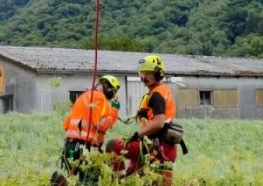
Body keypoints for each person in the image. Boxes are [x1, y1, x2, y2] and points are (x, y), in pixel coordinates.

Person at [108, 55, 179, 184]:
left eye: (149, 73)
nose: (144, 76)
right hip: (157, 146)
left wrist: (137, 135)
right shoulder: (155, 93)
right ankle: (121, 180)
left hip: (160, 147)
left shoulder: (157, 94)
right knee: (132, 177)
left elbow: (159, 122)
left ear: (158, 74)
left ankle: (117, 181)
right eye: (143, 73)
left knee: (114, 146)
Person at [61, 75, 121, 174]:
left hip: (70, 146)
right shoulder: (100, 98)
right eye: (113, 92)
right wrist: (114, 110)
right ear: (109, 89)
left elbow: (66, 124)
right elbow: (100, 125)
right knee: (91, 180)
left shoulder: (83, 97)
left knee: (71, 180)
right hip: (85, 147)